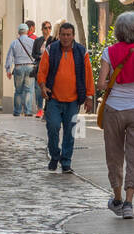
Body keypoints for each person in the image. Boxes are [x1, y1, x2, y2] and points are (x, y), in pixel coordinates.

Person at [98, 11, 134, 219]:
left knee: (114, 155)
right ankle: (129, 203)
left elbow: (101, 84)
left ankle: (117, 198)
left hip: (115, 109)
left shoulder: (109, 52)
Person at [36, 21, 94, 173]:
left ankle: (66, 162)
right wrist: (42, 86)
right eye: (63, 35)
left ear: (73, 36)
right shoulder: (51, 50)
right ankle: (55, 156)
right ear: (59, 35)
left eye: (68, 35)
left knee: (70, 132)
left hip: (73, 100)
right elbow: (42, 71)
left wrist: (89, 97)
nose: (66, 38)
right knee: (53, 128)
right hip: (54, 99)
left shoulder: (82, 52)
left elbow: (88, 75)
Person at [5, 23, 37, 116]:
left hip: (18, 67)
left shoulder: (14, 43)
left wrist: (8, 70)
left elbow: (9, 57)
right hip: (30, 67)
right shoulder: (32, 42)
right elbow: (36, 54)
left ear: (19, 32)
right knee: (29, 90)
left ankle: (17, 111)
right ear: (27, 32)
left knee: (18, 91)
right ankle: (27, 111)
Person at [30, 19, 52, 117]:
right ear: (42, 29)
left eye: (49, 27)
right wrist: (40, 56)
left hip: (50, 68)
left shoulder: (53, 40)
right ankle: (39, 109)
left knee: (48, 88)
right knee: (38, 89)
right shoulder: (38, 41)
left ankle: (47, 110)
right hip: (39, 67)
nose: (47, 30)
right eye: (45, 28)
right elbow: (33, 54)